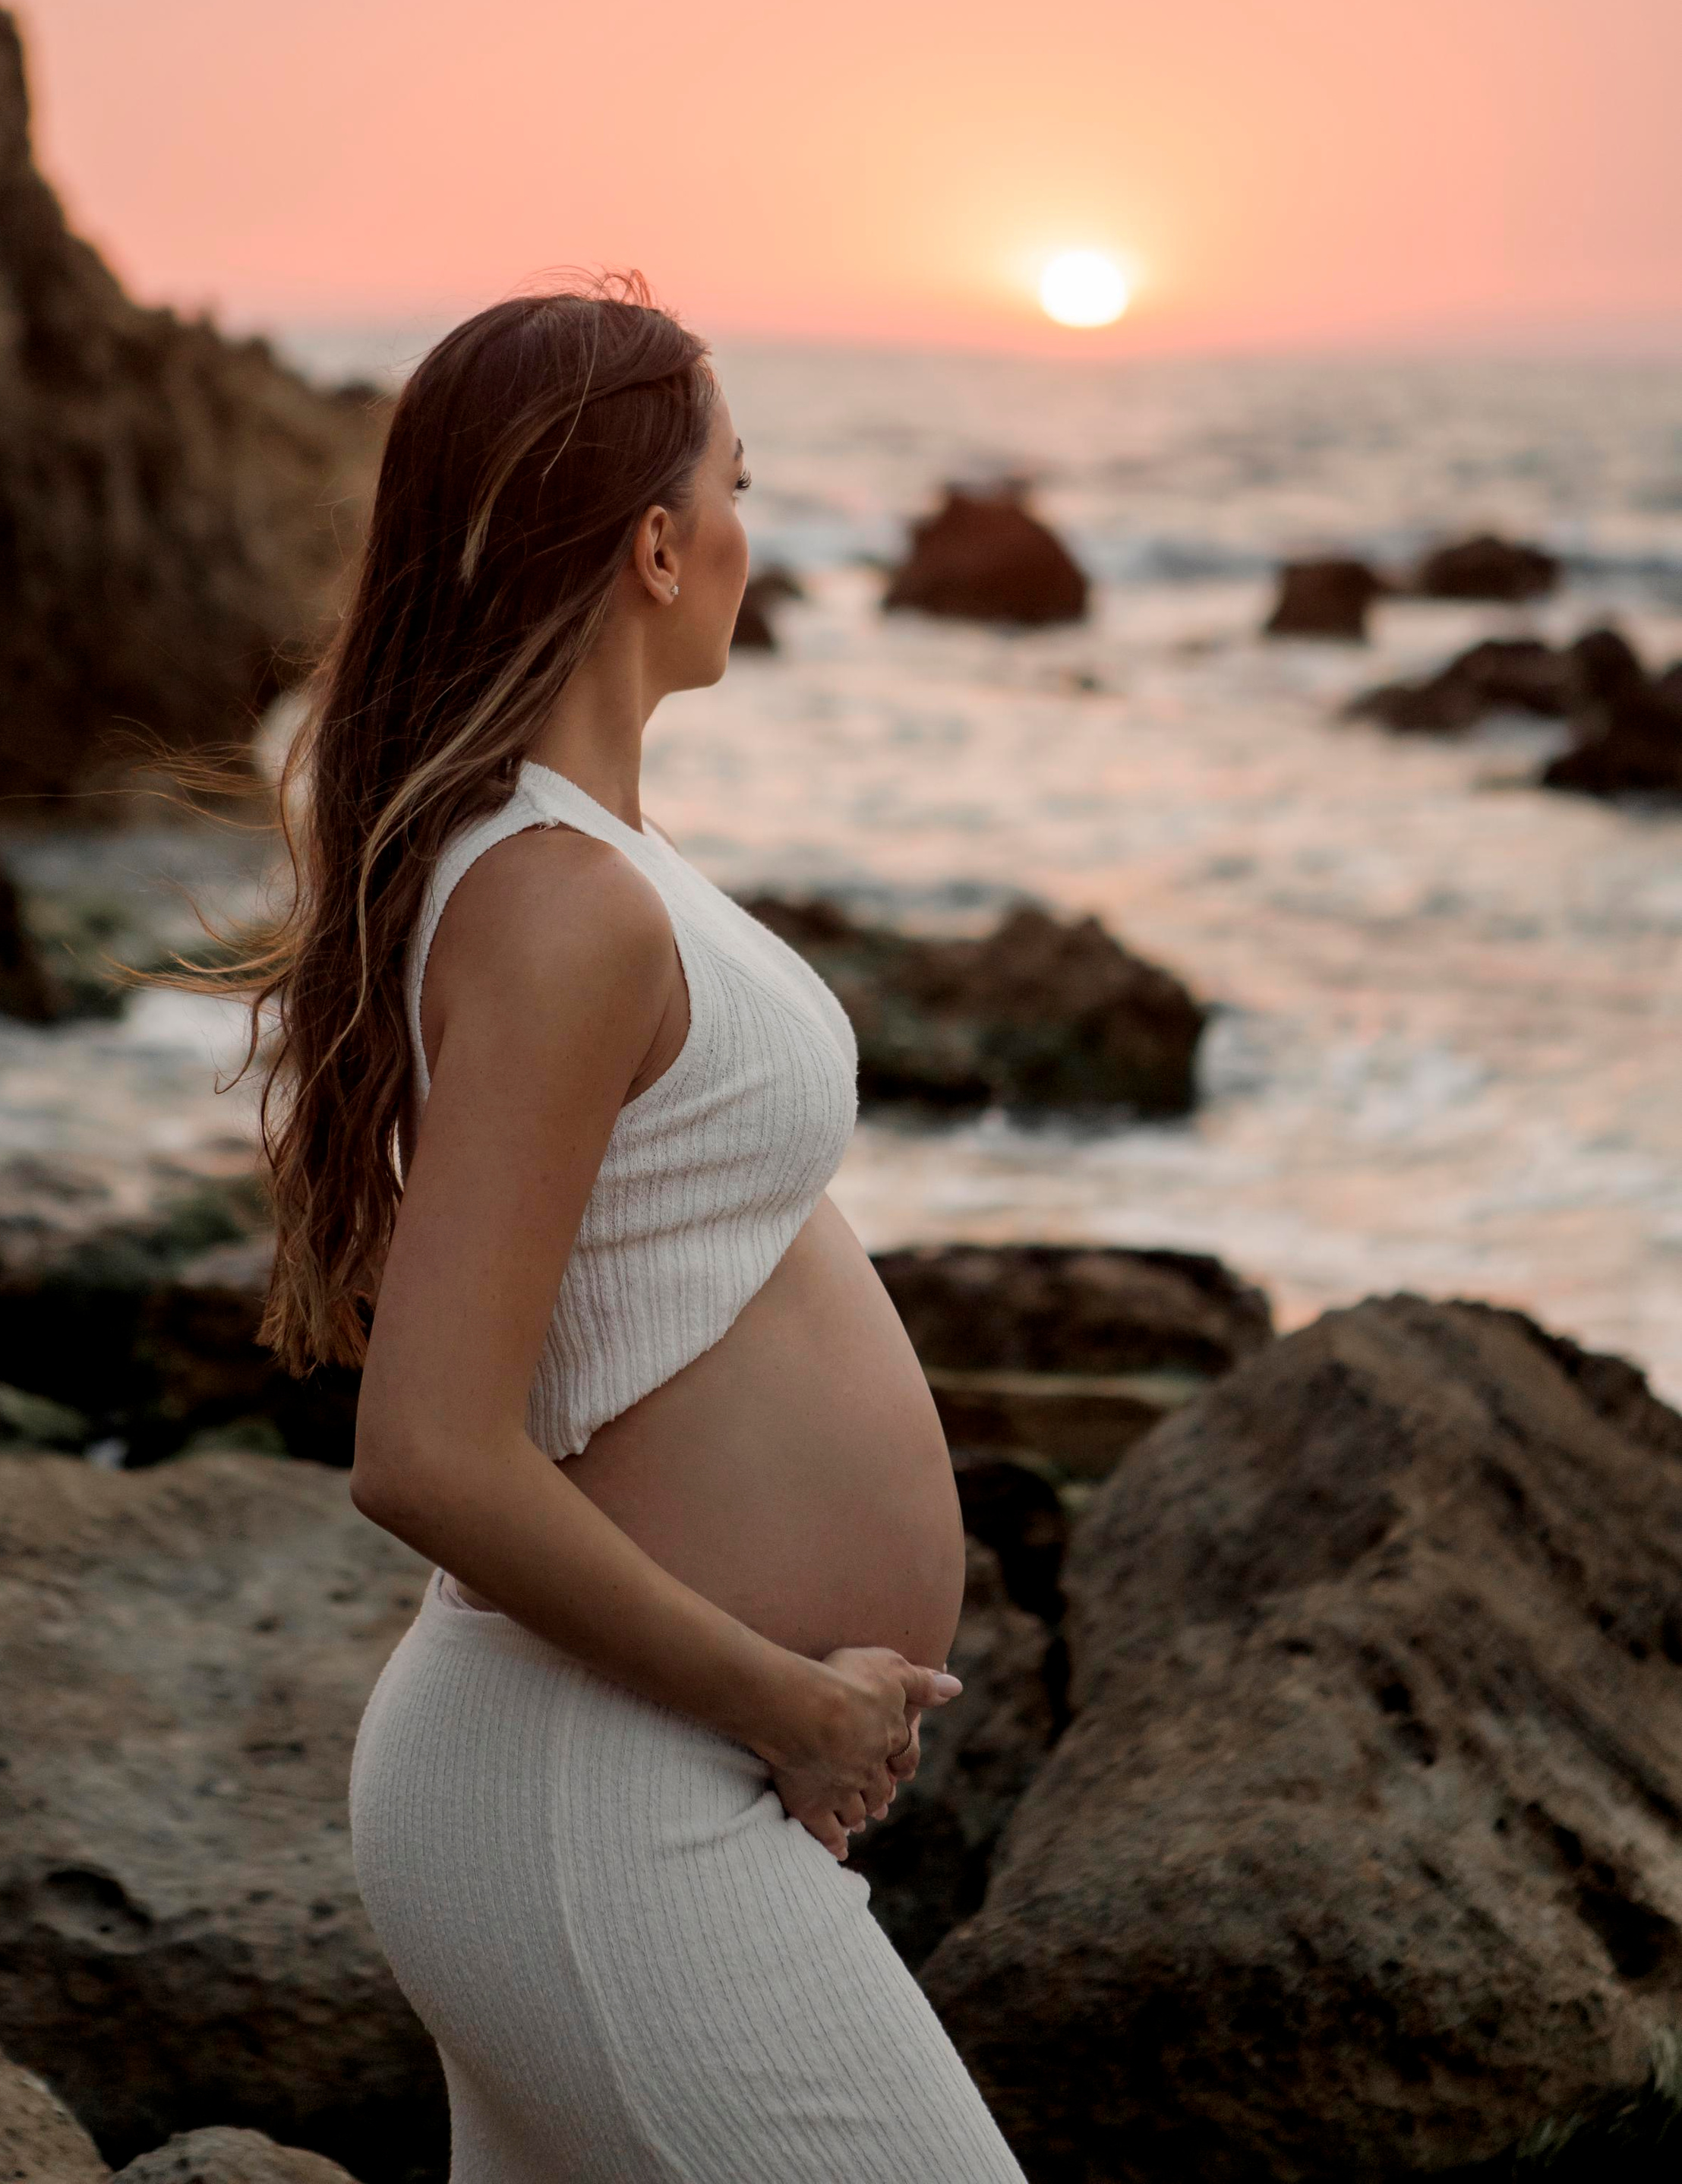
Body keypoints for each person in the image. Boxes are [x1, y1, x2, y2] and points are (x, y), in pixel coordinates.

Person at [248, 278, 1022, 2182]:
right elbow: (425, 1451)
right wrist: (785, 1704)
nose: (754, 538)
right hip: (597, 1789)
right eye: (733, 485)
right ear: (658, 543)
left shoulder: (576, 864)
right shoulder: (557, 899)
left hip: (606, 1773)